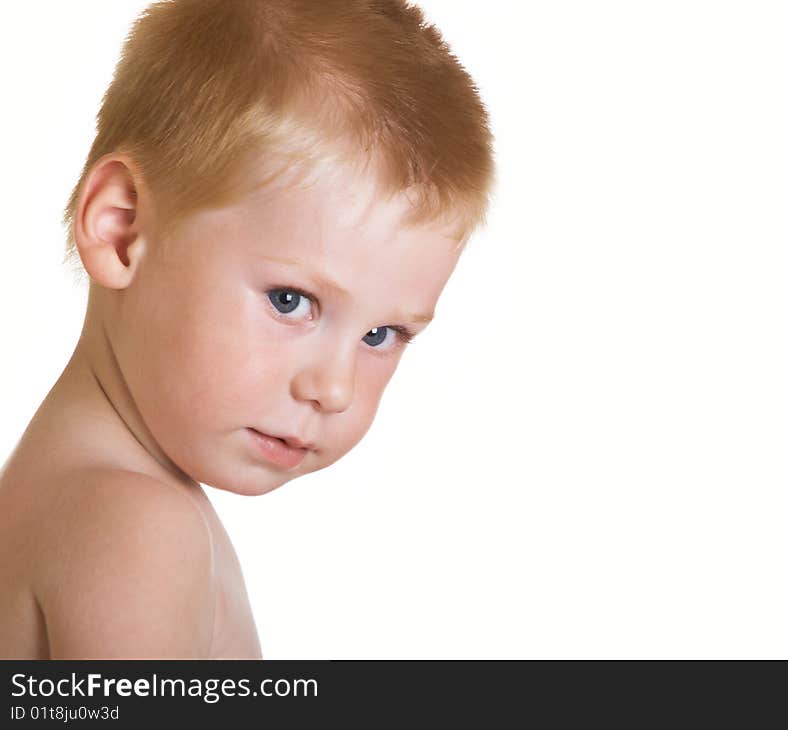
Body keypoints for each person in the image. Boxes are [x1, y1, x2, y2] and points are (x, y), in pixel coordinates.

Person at [0, 0, 495, 659]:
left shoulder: (78, 491)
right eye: (292, 301)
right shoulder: (135, 528)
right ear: (122, 231)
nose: (334, 389)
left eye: (382, 336)